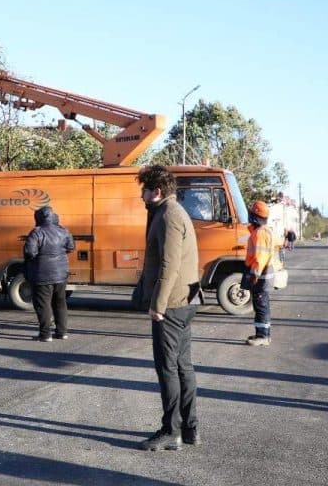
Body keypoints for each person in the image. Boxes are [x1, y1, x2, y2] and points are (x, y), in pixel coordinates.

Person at [135, 165, 202, 451]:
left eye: (144, 190)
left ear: (157, 191)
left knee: (169, 369)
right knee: (182, 367)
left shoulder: (168, 216)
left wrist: (157, 305)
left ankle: (171, 431)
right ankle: (189, 429)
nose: (141, 195)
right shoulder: (174, 212)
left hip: (172, 305)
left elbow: (169, 264)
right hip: (183, 301)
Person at [23, 205, 75, 341]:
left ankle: (45, 334)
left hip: (42, 274)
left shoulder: (37, 232)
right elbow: (71, 247)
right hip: (61, 273)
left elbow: (29, 252)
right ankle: (62, 332)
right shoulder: (63, 231)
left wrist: (33, 259)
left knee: (43, 304)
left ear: (38, 218)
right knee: (60, 302)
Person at [244, 200, 278, 346]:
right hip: (264, 273)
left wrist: (254, 274)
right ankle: (263, 334)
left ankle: (263, 337)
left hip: (261, 274)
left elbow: (260, 257)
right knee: (262, 305)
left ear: (255, 216)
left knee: (260, 305)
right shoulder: (264, 231)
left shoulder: (259, 233)